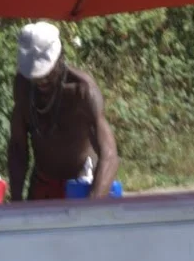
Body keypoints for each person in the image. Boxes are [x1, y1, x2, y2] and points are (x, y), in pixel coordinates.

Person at [6, 21, 119, 200]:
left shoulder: (82, 91)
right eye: (36, 76)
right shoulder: (23, 87)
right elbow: (18, 147)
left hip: (81, 185)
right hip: (43, 184)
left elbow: (109, 155)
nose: (41, 81)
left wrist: (92, 203)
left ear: (60, 57)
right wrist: (16, 199)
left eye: (47, 73)